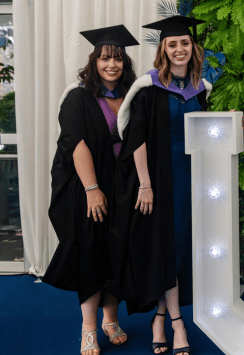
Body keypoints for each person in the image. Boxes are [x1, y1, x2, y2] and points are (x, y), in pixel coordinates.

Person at [108, 15, 212, 355]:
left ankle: (159, 316)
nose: (179, 49)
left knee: (181, 249)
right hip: (160, 180)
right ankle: (177, 323)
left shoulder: (201, 88)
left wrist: (231, 121)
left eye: (184, 43)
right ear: (163, 50)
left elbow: (207, 132)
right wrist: (145, 184)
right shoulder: (148, 88)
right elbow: (135, 138)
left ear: (192, 47)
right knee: (165, 247)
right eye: (172, 44)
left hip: (191, 180)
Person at [42, 24, 138, 355]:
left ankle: (111, 319)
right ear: (94, 61)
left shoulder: (132, 97)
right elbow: (76, 144)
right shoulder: (78, 97)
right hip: (86, 186)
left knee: (118, 252)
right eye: (105, 58)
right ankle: (88, 329)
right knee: (91, 255)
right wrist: (92, 189)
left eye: (118, 59)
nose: (112, 65)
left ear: (125, 64)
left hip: (123, 186)